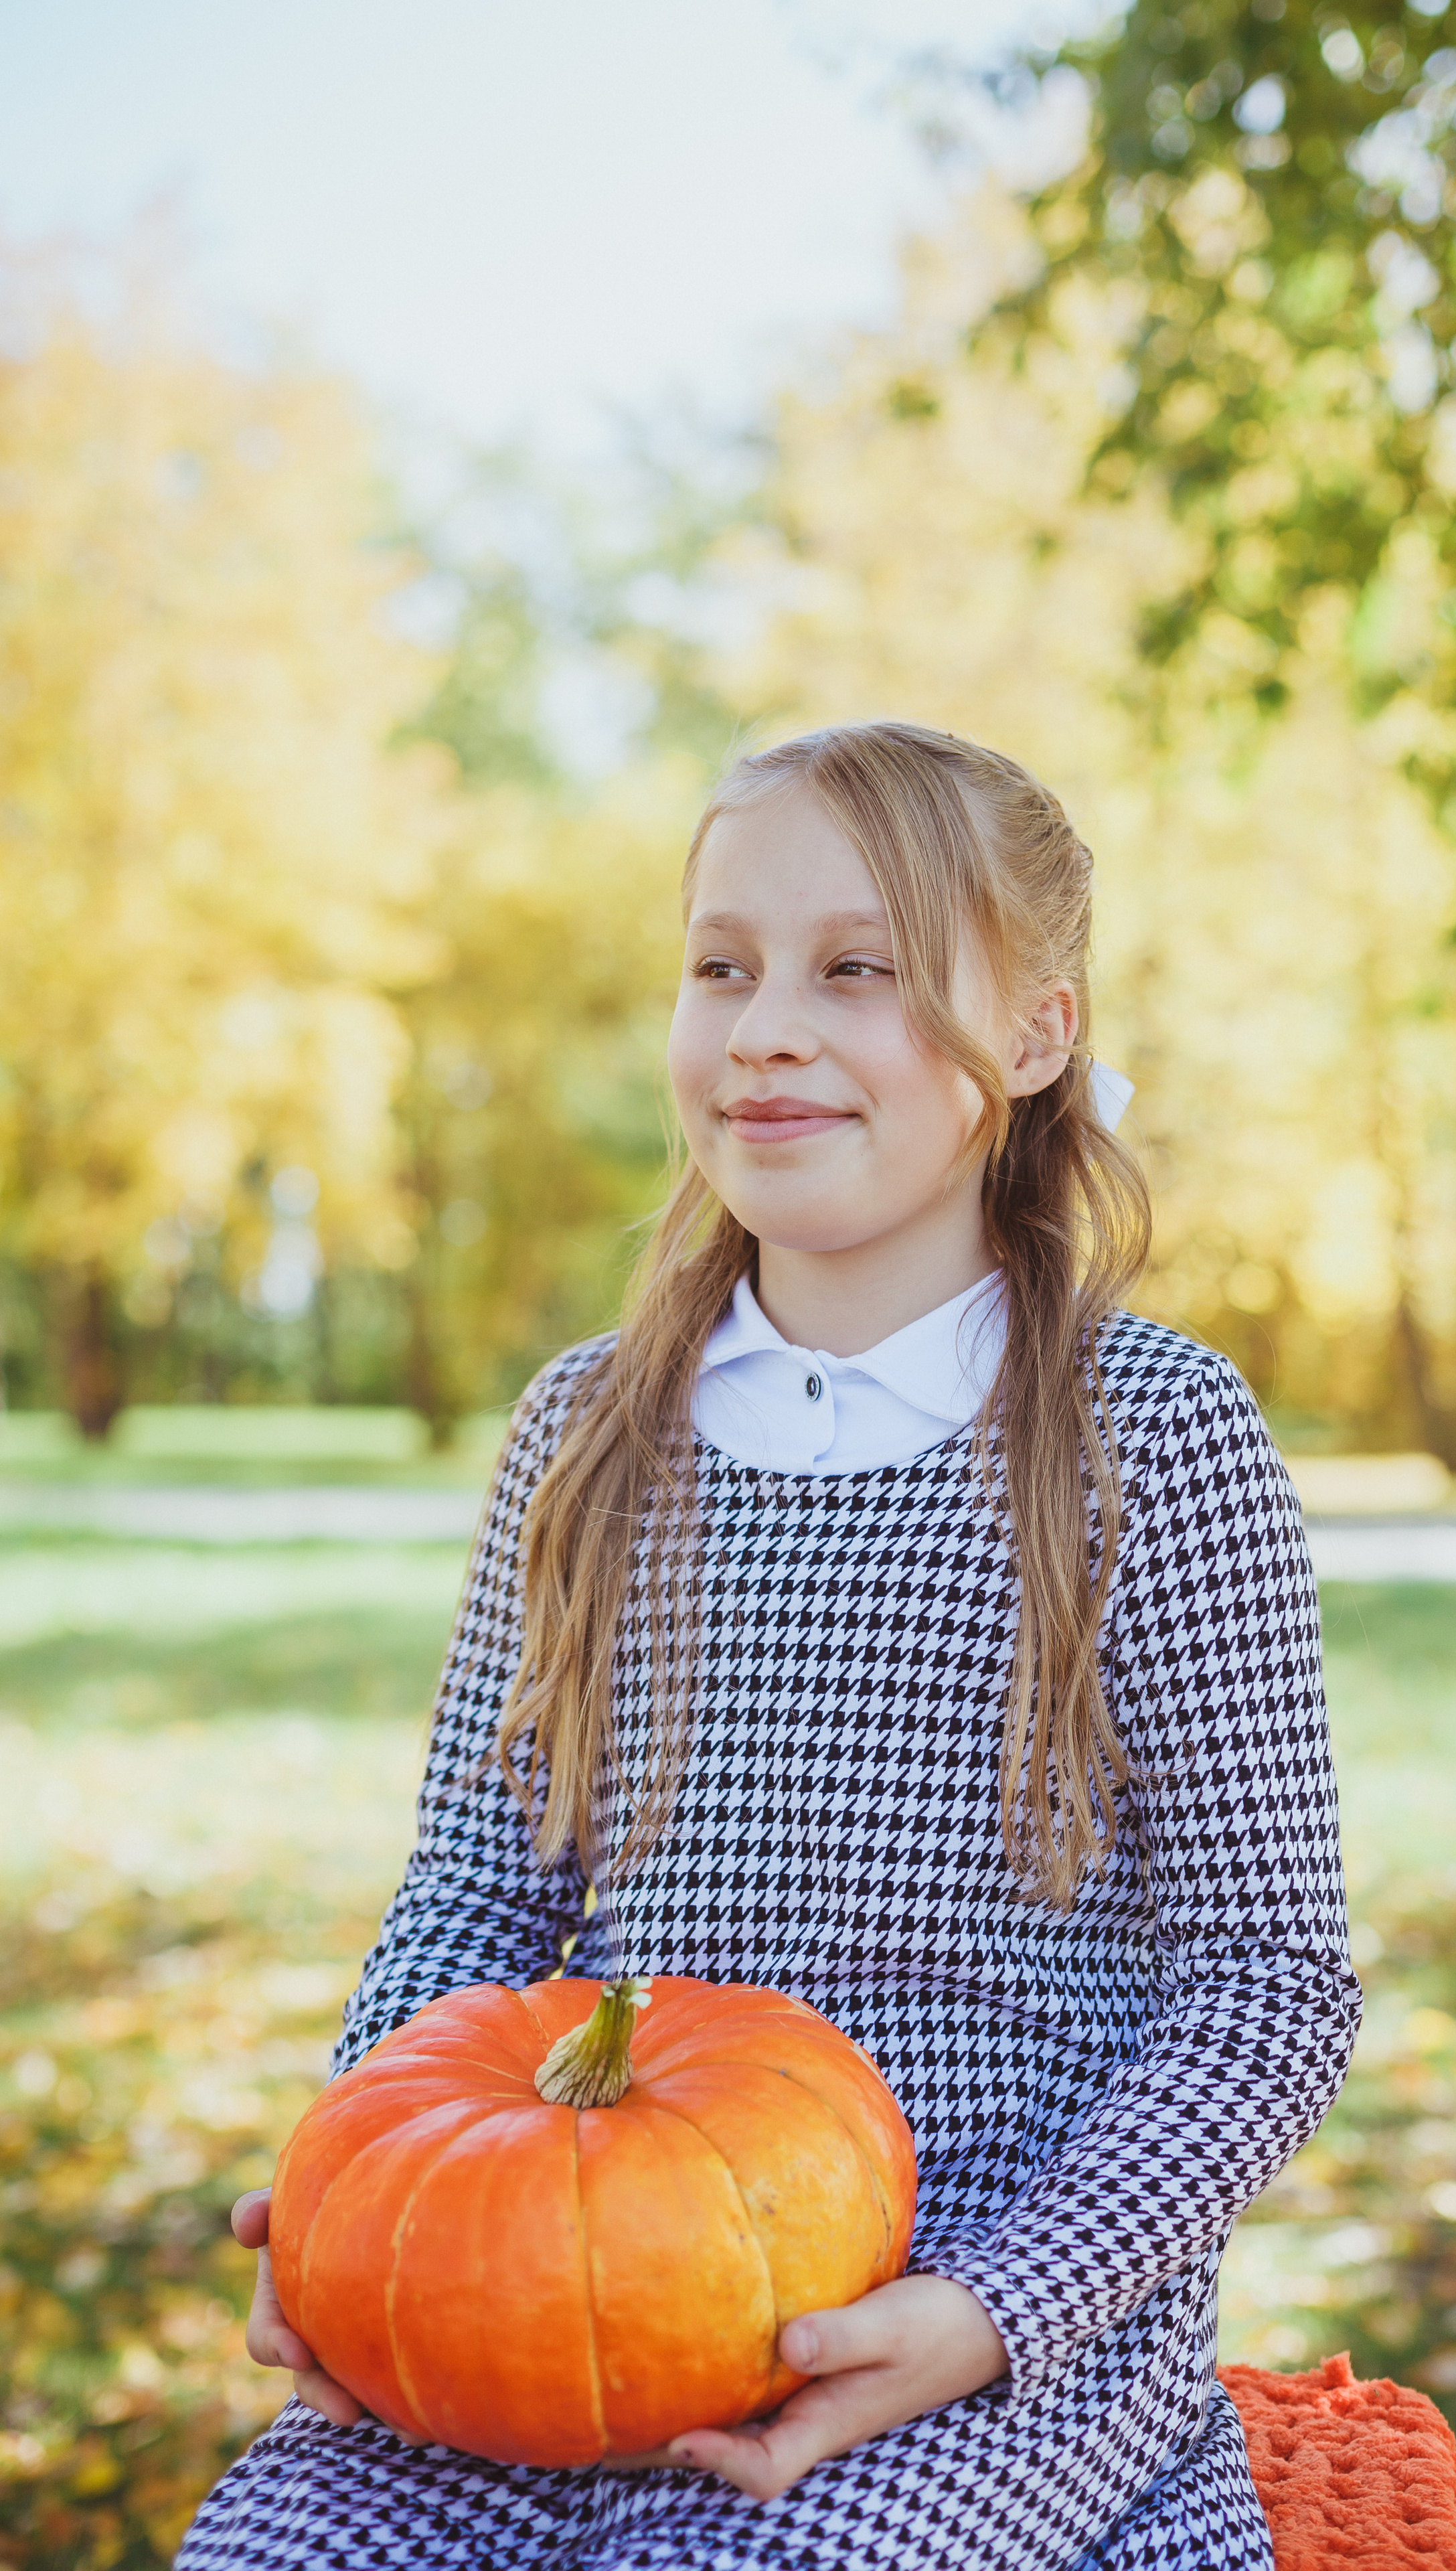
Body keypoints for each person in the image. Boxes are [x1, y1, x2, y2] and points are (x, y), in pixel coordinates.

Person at [178, 720, 1361, 2571]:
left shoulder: (1150, 1439)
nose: (767, 1027)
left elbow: (1267, 1988)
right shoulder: (589, 1432)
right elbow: (477, 1905)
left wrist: (994, 2308)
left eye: (858, 972)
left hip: (985, 2317)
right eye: (721, 966)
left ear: (1036, 1039)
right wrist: (365, 2216)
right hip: (574, 2255)